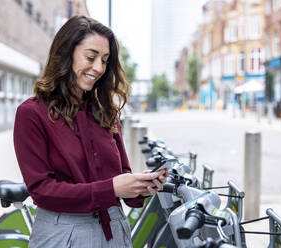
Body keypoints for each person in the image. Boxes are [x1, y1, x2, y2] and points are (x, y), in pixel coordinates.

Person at [13, 16, 168, 248]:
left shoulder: (107, 113)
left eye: (105, 60)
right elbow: (42, 190)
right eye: (90, 57)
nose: (98, 68)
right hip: (62, 234)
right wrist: (112, 188)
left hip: (114, 230)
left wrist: (141, 187)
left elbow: (121, 174)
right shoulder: (32, 113)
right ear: (66, 53)